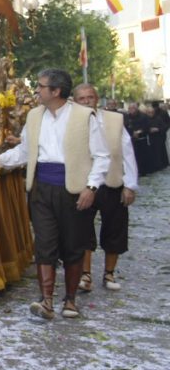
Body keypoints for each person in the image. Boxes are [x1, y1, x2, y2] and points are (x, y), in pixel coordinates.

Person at [0, 69, 110, 320]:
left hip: (74, 190)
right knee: (44, 243)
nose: (36, 90)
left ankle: (70, 300)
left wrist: (91, 188)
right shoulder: (34, 116)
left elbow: (101, 157)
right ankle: (46, 300)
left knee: (73, 245)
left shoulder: (84, 116)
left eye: (40, 86)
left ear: (56, 91)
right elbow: (25, 152)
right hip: (41, 188)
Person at [73, 84, 137, 293]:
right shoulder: (71, 122)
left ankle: (109, 273)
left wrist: (130, 185)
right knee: (82, 230)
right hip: (83, 184)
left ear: (97, 99)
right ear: (74, 100)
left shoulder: (114, 119)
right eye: (81, 98)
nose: (86, 101)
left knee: (114, 229)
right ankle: (85, 274)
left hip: (112, 182)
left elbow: (127, 153)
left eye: (90, 97)